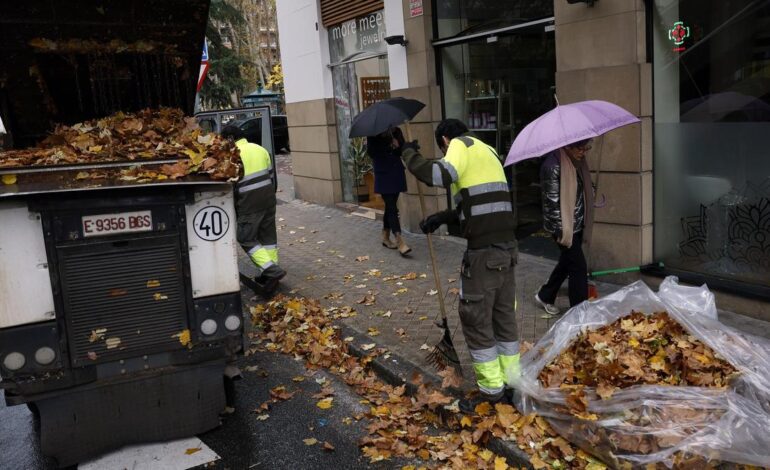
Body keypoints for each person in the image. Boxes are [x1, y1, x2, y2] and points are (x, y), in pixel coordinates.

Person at [399, 118, 519, 412]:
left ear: (444, 140)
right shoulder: (488, 150)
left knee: (476, 318)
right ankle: (512, 384)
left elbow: (438, 174)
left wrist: (407, 153)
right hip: (507, 250)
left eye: (442, 148)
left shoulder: (459, 145)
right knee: (503, 318)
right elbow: (478, 206)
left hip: (484, 255)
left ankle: (492, 394)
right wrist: (443, 217)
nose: (445, 152)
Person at [221, 124, 286, 295]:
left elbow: (231, 185)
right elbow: (271, 177)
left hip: (249, 204)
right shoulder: (260, 149)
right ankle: (270, 276)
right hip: (269, 200)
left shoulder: (232, 155)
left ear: (229, 139)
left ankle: (273, 271)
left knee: (245, 238)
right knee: (268, 239)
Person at [534, 139, 595, 315]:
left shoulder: (576, 162)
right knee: (578, 267)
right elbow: (551, 204)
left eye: (586, 148)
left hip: (576, 221)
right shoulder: (552, 166)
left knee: (567, 263)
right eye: (580, 148)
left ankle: (545, 295)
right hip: (563, 227)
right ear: (568, 146)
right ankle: (578, 311)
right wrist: (561, 232)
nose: (583, 152)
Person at [367, 127, 410, 255]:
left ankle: (385, 237)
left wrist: (398, 146)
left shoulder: (396, 131)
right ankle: (399, 240)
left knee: (390, 206)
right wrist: (388, 146)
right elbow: (372, 153)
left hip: (396, 172)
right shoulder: (373, 134)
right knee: (391, 206)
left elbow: (401, 150)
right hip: (383, 174)